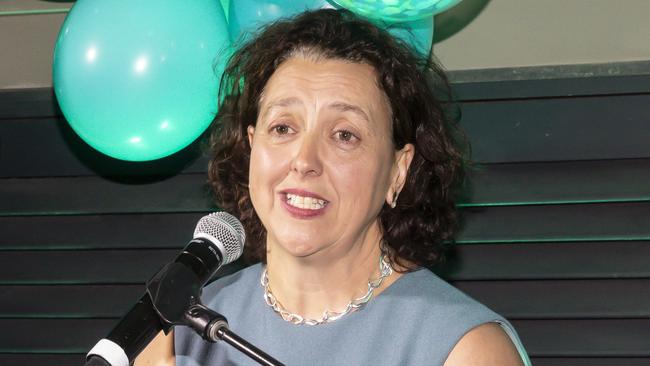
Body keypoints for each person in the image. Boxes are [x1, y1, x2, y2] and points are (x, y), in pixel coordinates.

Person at [136, 9, 531, 366]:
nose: (304, 160)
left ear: (399, 169)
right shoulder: (175, 331)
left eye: (344, 135)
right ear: (252, 148)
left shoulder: (467, 350)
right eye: (283, 128)